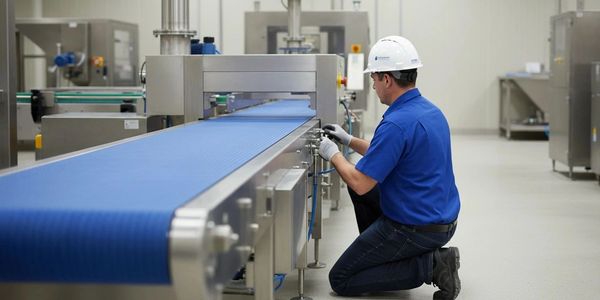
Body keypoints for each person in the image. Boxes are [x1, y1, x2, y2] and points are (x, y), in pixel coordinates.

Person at [318, 36, 461, 300]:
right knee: (362, 192)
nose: (372, 85)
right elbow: (386, 152)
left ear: (387, 79)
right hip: (442, 219)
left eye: (374, 78)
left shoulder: (396, 123)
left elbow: (360, 181)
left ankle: (432, 265)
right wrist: (347, 140)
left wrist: (333, 154)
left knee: (341, 279)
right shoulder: (429, 111)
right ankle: (384, 257)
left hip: (416, 227)